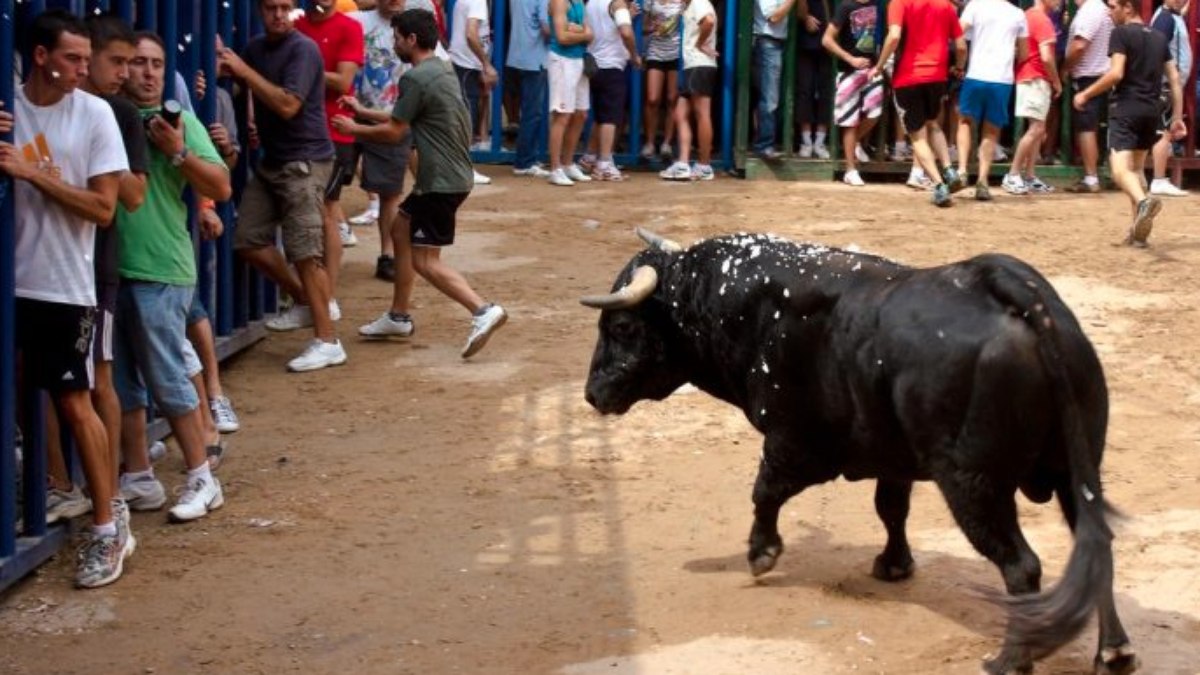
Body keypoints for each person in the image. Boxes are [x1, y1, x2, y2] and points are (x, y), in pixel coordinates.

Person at [0, 10, 130, 587]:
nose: (85, 68)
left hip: (63, 286)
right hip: (13, 282)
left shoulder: (95, 113)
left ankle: (108, 528)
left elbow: (105, 209)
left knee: (76, 402)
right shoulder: (9, 108)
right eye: (73, 58)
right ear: (40, 57)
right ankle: (45, 493)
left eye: (86, 58)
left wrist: (30, 174)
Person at [333, 9, 508, 358]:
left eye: (397, 37)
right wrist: (363, 110)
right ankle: (398, 316)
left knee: (425, 262)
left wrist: (354, 129)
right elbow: (404, 115)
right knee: (400, 230)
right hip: (446, 178)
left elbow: (394, 131)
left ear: (411, 40)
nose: (394, 43)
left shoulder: (416, 78)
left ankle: (482, 310)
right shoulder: (438, 70)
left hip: (439, 182)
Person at [115, 32, 232, 523]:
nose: (147, 73)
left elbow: (221, 186)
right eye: (138, 63)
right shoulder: (110, 115)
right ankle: (139, 474)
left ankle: (201, 476)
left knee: (167, 378)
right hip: (110, 269)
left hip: (162, 267)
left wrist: (179, 150)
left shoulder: (179, 121)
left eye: (157, 64)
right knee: (123, 385)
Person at [41, 13, 151, 529]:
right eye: (117, 61)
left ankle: (109, 493)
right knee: (41, 380)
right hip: (45, 264)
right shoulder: (45, 105)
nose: (123, 73)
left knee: (97, 380)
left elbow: (130, 197)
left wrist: (100, 159)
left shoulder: (118, 114)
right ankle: (61, 484)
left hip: (92, 266)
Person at [220, 0, 347, 373]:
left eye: (285, 7)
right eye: (271, 7)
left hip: (305, 162)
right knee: (248, 239)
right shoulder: (257, 48)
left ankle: (328, 340)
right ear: (260, 10)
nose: (278, 14)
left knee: (306, 252)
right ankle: (306, 301)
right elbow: (248, 93)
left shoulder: (303, 49)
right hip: (274, 161)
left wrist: (243, 71)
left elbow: (289, 104)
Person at [1074, 0, 1184, 246]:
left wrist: (1086, 94)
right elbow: (1175, 79)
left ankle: (1145, 203)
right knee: (1136, 170)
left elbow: (1116, 73)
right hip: (1151, 111)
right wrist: (1176, 117)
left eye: (1113, 6)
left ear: (1128, 8)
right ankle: (1137, 234)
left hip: (1125, 109)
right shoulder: (1158, 37)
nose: (1109, 12)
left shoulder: (1120, 33)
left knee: (1120, 170)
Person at [296, 0, 366, 298]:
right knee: (305, 212)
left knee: (326, 211)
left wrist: (300, 66)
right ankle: (310, 292)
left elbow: (343, 81)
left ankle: (328, 294)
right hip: (298, 132)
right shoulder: (296, 25)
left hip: (334, 133)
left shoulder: (349, 26)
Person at [872, 0, 966, 207]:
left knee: (917, 136)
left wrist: (879, 66)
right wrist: (958, 68)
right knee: (933, 124)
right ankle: (950, 169)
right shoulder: (946, 6)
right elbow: (961, 46)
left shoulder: (899, 3)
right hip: (937, 76)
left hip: (908, 77)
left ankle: (939, 185)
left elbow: (894, 36)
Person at [954, 0, 1027, 201]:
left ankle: (961, 170)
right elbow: (1025, 54)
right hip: (1002, 78)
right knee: (992, 129)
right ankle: (983, 180)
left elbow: (958, 32)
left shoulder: (976, 6)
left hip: (976, 73)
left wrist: (960, 63)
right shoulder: (1018, 13)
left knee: (965, 121)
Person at [1003, 0, 1062, 195]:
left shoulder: (1027, 15)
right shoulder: (1042, 20)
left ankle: (1029, 175)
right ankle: (1013, 174)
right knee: (1036, 128)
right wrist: (1056, 80)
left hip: (1029, 76)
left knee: (1038, 128)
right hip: (1036, 77)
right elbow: (1046, 57)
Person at [822, 0, 882, 185]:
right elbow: (827, 39)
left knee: (874, 113)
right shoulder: (845, 7)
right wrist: (850, 59)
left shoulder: (876, 5)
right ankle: (850, 169)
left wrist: (879, 64)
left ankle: (852, 144)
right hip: (848, 71)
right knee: (849, 120)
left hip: (871, 69)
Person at [582, 0, 642, 180]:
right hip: (612, 65)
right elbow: (625, 32)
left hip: (594, 64)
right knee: (610, 117)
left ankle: (589, 157)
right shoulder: (618, 5)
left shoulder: (592, 3)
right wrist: (634, 55)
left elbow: (605, 28)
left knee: (600, 116)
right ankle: (605, 164)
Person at [659, 0, 718, 181]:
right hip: (694, 65)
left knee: (702, 114)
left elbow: (708, 21)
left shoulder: (699, 2)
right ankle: (683, 163)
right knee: (680, 113)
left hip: (698, 64)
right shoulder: (691, 5)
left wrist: (700, 44)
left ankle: (704, 165)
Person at [1062, 0, 1113, 193]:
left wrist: (1066, 67)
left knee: (1086, 127)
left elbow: (1079, 45)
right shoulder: (1101, 10)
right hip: (1100, 74)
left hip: (1089, 75)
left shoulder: (1090, 10)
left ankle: (1091, 177)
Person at [447, 0, 495, 185]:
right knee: (466, 119)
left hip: (464, 64)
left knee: (464, 118)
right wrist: (486, 64)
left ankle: (459, 168)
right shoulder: (477, 2)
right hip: (466, 65)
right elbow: (471, 34)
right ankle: (463, 170)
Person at [546, 0, 593, 186]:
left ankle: (567, 163)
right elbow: (561, 37)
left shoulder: (579, 3)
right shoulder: (559, 2)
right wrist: (582, 32)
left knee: (581, 114)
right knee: (562, 115)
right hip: (562, 61)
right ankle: (555, 168)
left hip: (578, 60)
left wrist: (575, 30)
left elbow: (592, 35)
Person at [1148, 0, 1192, 197]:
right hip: (1164, 84)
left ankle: (1159, 177)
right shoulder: (1165, 19)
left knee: (1165, 130)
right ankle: (1158, 179)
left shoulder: (1172, 16)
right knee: (1163, 131)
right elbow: (1156, 50)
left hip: (1169, 84)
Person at [507, 0, 552, 177]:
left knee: (528, 113)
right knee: (533, 114)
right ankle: (525, 162)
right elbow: (546, 28)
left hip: (516, 56)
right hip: (535, 59)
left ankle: (527, 159)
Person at [752, 0, 795, 160]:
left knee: (773, 96)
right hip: (767, 42)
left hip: (780, 42)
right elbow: (774, 17)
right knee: (770, 98)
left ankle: (768, 143)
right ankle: (764, 145)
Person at [795, 0, 832, 159]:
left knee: (826, 92)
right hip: (807, 41)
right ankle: (806, 141)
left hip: (830, 44)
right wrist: (805, 17)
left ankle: (820, 142)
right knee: (805, 90)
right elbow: (798, 10)